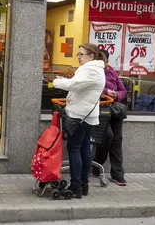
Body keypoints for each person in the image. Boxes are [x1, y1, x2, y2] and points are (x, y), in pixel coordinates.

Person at [53, 43, 106, 198]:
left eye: (81, 54)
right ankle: (83, 185)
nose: (78, 57)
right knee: (84, 149)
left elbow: (74, 85)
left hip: (79, 116)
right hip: (86, 115)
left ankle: (77, 185)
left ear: (91, 56)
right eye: (78, 54)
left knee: (75, 149)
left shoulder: (90, 69)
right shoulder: (94, 70)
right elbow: (79, 85)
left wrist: (57, 82)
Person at [93, 49, 128, 186]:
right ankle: (97, 165)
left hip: (114, 109)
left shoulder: (112, 72)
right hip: (100, 108)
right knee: (107, 136)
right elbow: (92, 87)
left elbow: (123, 91)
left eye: (104, 61)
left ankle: (118, 174)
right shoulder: (93, 72)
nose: (102, 64)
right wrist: (107, 92)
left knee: (117, 140)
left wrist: (116, 95)